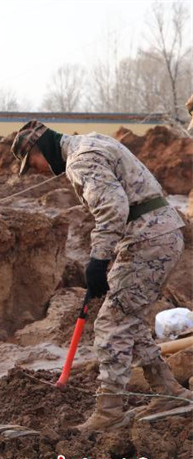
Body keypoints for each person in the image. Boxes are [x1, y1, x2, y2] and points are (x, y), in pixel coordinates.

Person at [11, 120, 192, 432]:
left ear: (42, 149)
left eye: (33, 163)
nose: (37, 172)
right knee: (127, 318)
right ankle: (170, 393)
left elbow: (113, 207)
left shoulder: (80, 161)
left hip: (148, 240)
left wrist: (98, 259)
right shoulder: (92, 142)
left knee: (112, 322)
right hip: (158, 235)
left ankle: (109, 411)